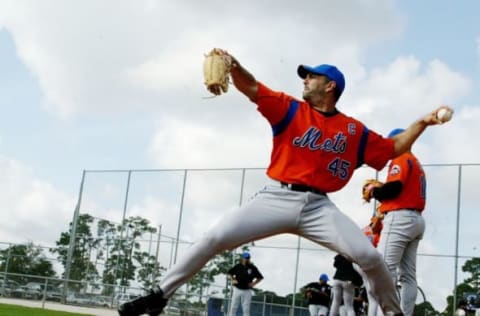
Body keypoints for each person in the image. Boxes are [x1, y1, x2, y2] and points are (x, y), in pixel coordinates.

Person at [118, 47, 452, 316]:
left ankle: (394, 314)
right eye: (305, 76)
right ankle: (160, 295)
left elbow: (395, 147)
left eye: (312, 76)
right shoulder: (289, 109)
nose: (305, 79)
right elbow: (251, 87)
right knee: (216, 236)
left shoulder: (353, 130)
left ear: (330, 85)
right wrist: (233, 65)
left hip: (319, 207)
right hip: (276, 197)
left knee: (371, 258)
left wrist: (422, 122)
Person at [363, 128, 427, 316]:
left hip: (401, 219)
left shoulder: (400, 158)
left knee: (384, 269)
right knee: (408, 276)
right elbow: (400, 189)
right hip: (416, 220)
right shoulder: (416, 163)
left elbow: (394, 190)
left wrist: (374, 191)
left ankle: (389, 313)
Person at [227, 251, 264, 316]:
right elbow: (229, 273)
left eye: (248, 258)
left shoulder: (253, 268)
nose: (246, 259)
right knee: (233, 307)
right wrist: (233, 279)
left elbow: (260, 277)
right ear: (242, 258)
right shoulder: (238, 266)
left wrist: (254, 283)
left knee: (246, 309)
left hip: (247, 290)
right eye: (245, 258)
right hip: (237, 289)